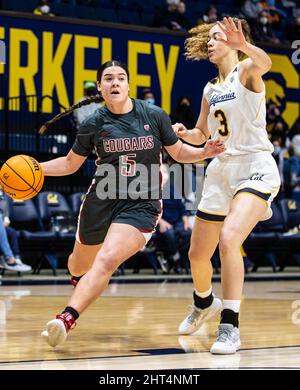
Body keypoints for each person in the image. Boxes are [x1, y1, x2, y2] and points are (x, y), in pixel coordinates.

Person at [38, 60, 225, 347]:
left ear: (128, 85)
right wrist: (37, 168)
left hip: (141, 204)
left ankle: (66, 319)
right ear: (100, 87)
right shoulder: (93, 123)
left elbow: (179, 152)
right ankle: (84, 281)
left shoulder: (152, 115)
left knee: (107, 259)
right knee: (78, 266)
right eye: (108, 79)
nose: (115, 83)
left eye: (121, 78)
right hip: (101, 201)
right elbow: (68, 163)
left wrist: (204, 151)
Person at [173, 17, 281, 354]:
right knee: (196, 254)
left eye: (218, 37)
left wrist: (243, 45)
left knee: (230, 239)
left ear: (236, 41)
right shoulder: (210, 88)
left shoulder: (248, 70)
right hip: (220, 170)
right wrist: (183, 134)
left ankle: (230, 326)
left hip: (254, 165)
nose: (210, 42)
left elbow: (267, 62)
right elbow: (201, 132)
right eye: (210, 38)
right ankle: (204, 302)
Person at [0, 189, 32, 272]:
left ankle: (17, 257)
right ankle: (9, 258)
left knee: (12, 232)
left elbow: (4, 209)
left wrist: (6, 218)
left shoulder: (3, 196)